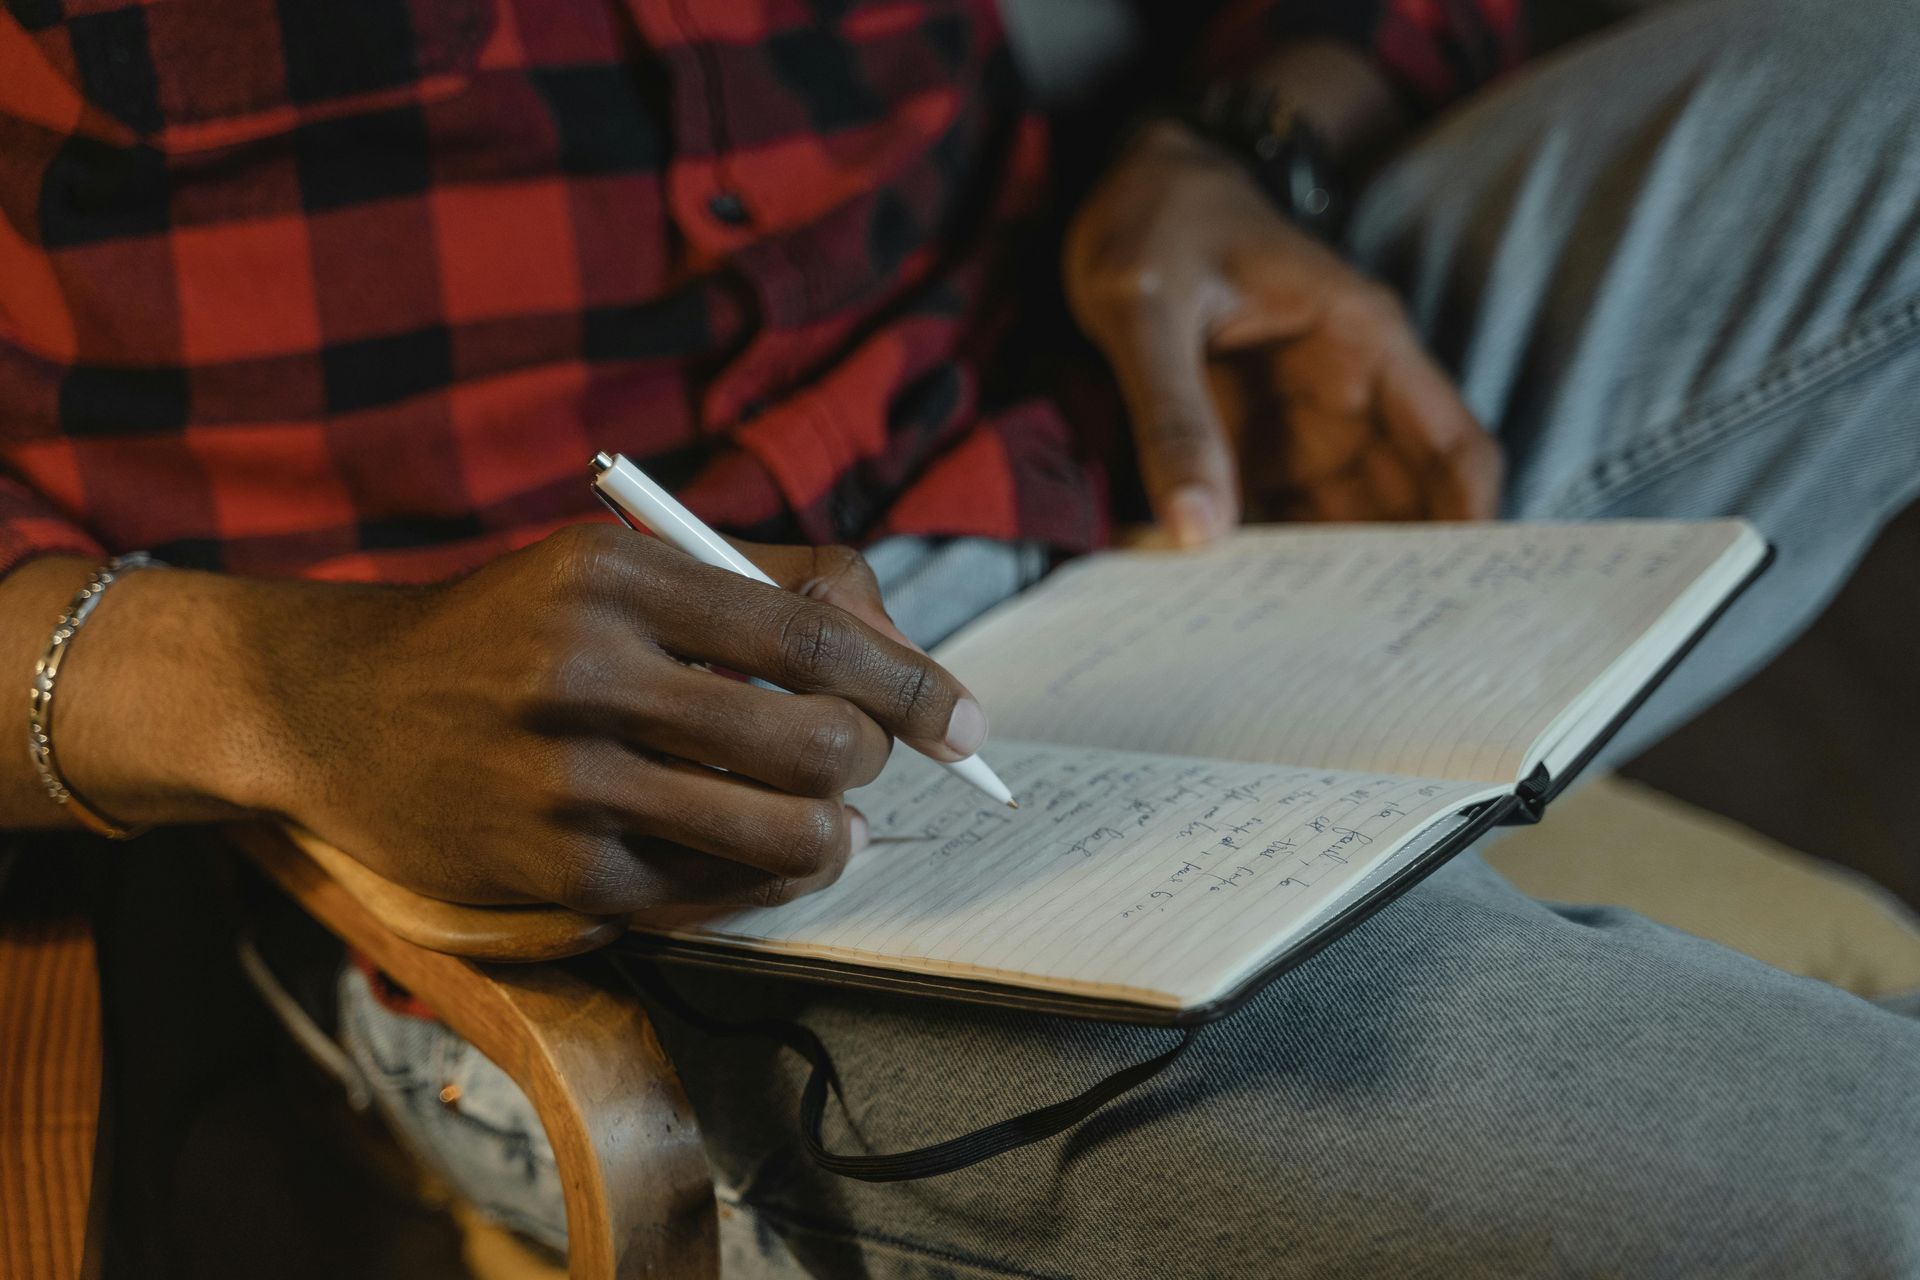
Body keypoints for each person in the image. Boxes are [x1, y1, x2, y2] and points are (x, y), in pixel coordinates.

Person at [4, 0, 1920, 1274]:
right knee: (1850, 1194)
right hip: (586, 803)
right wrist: (265, 688)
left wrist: (1233, 145)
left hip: (1103, 412)